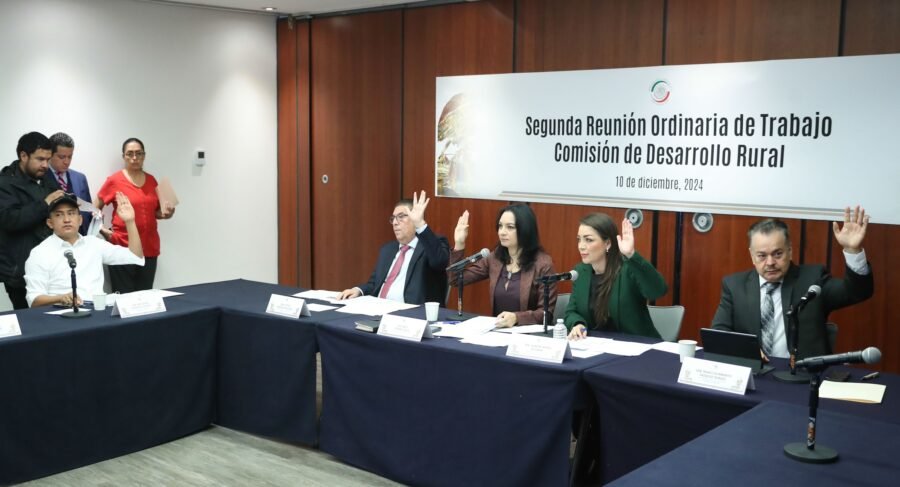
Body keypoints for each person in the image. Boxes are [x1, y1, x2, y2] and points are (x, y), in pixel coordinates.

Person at [712, 208, 874, 359]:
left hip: (802, 374)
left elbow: (857, 292)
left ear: (790, 251)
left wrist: (853, 250)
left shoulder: (812, 279)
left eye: (777, 254)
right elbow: (719, 332)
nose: (770, 262)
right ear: (752, 256)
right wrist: (746, 350)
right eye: (762, 255)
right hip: (754, 371)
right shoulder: (735, 286)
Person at [24, 193, 144, 308]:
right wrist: (60, 298)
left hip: (98, 310)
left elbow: (135, 256)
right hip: (62, 313)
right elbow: (34, 300)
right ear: (50, 223)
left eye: (71, 213)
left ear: (80, 220)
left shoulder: (94, 243)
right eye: (59, 215)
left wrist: (130, 221)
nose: (66, 219)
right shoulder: (40, 253)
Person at [450, 204, 557, 327]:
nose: (502, 232)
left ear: (525, 230)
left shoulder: (543, 264)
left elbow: (546, 314)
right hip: (498, 332)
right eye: (500, 226)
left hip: (527, 335)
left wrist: (516, 318)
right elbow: (456, 280)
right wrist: (459, 243)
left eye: (510, 227)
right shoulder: (495, 258)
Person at [566, 213, 667, 339]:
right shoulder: (581, 272)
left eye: (589, 240)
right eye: (579, 239)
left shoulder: (628, 269)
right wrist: (578, 324)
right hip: (596, 345)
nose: (581, 246)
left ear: (607, 243)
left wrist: (631, 255)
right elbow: (572, 311)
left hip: (637, 344)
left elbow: (657, 291)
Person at [338, 191, 450, 304]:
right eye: (393, 218)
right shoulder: (387, 250)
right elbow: (374, 284)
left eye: (401, 217)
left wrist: (420, 224)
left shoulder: (432, 246)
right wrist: (358, 290)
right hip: (378, 308)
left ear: (415, 218)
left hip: (410, 311)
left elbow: (439, 262)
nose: (395, 223)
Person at [95, 138, 174, 293]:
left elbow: (157, 212)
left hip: (149, 248)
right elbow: (95, 208)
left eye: (139, 153)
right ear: (123, 156)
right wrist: (102, 230)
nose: (134, 158)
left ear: (144, 156)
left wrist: (168, 213)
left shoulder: (152, 180)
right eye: (130, 154)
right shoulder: (114, 180)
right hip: (122, 247)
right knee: (124, 297)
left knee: (145, 296)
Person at [0, 132, 65, 309]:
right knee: (29, 322)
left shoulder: (45, 177)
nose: (45, 165)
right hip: (19, 270)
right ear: (23, 156)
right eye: (40, 159)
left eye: (48, 159)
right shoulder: (4, 183)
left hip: (51, 265)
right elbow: (10, 220)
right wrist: (45, 203)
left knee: (56, 318)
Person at [44, 132, 94, 235]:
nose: (66, 162)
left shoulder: (80, 178)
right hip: (52, 238)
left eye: (70, 157)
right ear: (50, 154)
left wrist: (95, 218)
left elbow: (88, 211)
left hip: (80, 237)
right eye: (62, 157)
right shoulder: (40, 178)